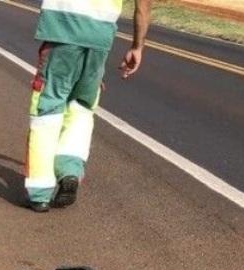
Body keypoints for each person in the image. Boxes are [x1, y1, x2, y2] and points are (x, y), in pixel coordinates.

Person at [25, 0, 152, 212]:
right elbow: (144, 5)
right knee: (81, 107)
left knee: (47, 110)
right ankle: (70, 171)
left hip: (62, 32)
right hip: (99, 39)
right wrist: (137, 47)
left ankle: (40, 193)